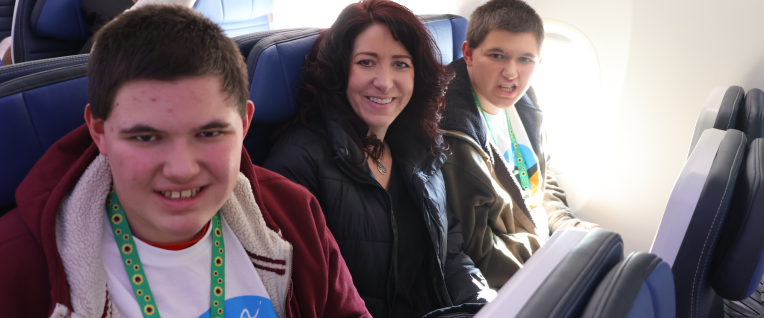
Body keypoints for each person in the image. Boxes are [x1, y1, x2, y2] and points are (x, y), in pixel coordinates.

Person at [0, 5, 369, 318]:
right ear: (99, 132)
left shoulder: (294, 215)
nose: (181, 169)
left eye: (209, 134)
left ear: (243, 126)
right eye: (146, 137)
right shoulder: (17, 265)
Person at [262, 0, 494, 317]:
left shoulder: (419, 148)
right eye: (366, 62)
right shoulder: (297, 162)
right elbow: (307, 299)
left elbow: (450, 254)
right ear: (340, 71)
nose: (384, 82)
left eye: (400, 64)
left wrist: (488, 305)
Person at [439, 0, 600, 289]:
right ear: (469, 54)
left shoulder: (525, 103)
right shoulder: (454, 131)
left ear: (539, 63)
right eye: (497, 55)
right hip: (508, 278)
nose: (511, 73)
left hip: (540, 251)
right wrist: (554, 259)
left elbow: (538, 179)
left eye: (525, 59)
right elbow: (479, 251)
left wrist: (568, 225)